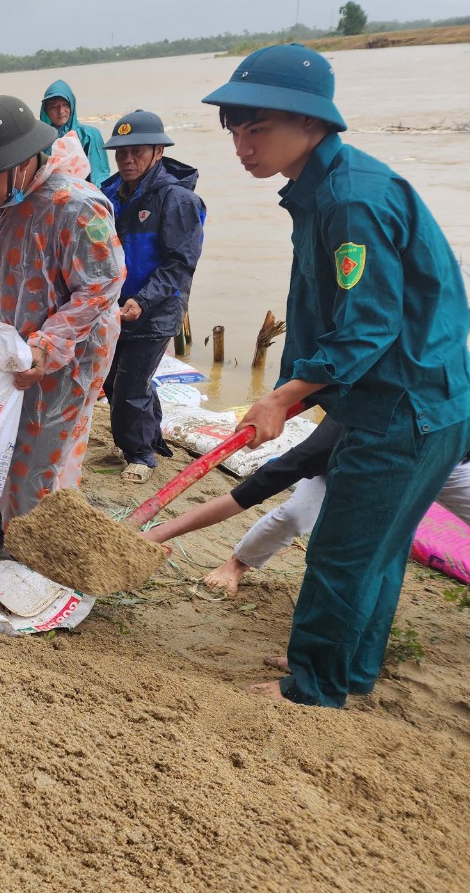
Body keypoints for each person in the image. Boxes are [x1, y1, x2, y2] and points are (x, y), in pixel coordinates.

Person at [202, 43, 470, 708]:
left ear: (314, 124)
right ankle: (347, 670)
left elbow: (368, 327)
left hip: (401, 405)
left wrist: (284, 393)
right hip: (424, 399)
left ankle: (312, 690)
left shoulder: (349, 202)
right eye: (234, 128)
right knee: (378, 549)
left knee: (341, 554)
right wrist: (294, 395)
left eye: (257, 126)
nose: (242, 143)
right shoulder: (326, 189)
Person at [0, 94, 124, 523]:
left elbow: (101, 285)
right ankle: (3, 522)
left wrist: (47, 344)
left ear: (22, 162)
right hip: (5, 348)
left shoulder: (76, 207)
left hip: (67, 356)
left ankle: (29, 547)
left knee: (38, 451)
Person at [146, 418, 470, 597]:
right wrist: (161, 532)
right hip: (350, 460)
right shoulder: (327, 444)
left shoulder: (445, 413)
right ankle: (237, 564)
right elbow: (241, 497)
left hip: (445, 459)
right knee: (294, 516)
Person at [99, 109, 206, 483]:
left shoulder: (177, 200)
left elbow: (181, 262)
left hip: (157, 308)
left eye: (137, 152)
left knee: (131, 384)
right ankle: (151, 436)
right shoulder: (109, 193)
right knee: (114, 381)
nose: (128, 160)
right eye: (121, 153)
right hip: (116, 308)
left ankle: (141, 456)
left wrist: (142, 301)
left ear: (158, 151)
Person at [40, 79, 109, 185]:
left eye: (65, 105)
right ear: (46, 111)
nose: (61, 111)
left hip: (84, 195)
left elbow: (100, 176)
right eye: (54, 107)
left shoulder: (90, 135)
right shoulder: (40, 140)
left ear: (72, 105)